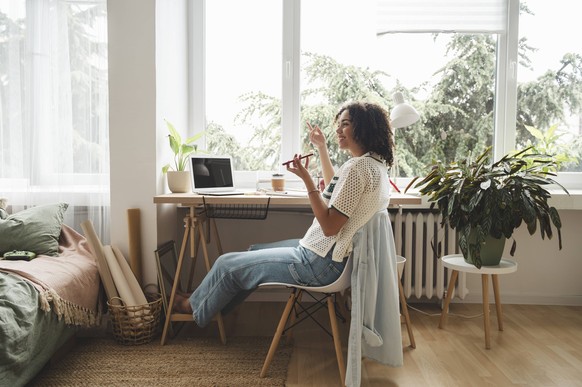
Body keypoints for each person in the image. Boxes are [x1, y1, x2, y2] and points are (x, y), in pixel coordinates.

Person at [173, 101, 395, 327]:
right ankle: (211, 305)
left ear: (364, 127)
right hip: (326, 255)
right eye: (338, 124)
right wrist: (321, 148)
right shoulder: (371, 165)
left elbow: (329, 226)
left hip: (320, 264)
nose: (338, 130)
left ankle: (191, 307)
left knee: (226, 264)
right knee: (253, 251)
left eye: (345, 124)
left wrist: (307, 180)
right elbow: (335, 189)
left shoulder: (357, 169)